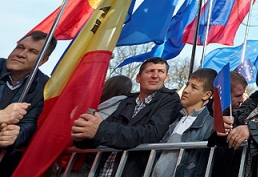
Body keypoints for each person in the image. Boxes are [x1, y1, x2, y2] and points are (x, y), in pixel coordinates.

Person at [71, 57, 181, 177]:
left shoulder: (170, 99)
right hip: (101, 171)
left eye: (161, 71)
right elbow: (101, 132)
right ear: (138, 78)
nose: (155, 75)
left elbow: (152, 133)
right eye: (150, 71)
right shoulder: (127, 101)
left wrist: (99, 129)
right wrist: (83, 135)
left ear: (166, 78)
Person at [0, 30, 57, 174]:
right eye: (20, 47)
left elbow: (32, 123)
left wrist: (18, 134)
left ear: (44, 60)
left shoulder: (45, 87)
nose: (21, 54)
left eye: (32, 51)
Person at [151, 68, 217, 177]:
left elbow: (201, 167)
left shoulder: (210, 126)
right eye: (187, 85)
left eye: (194, 87)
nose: (186, 90)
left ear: (206, 95)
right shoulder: (173, 118)